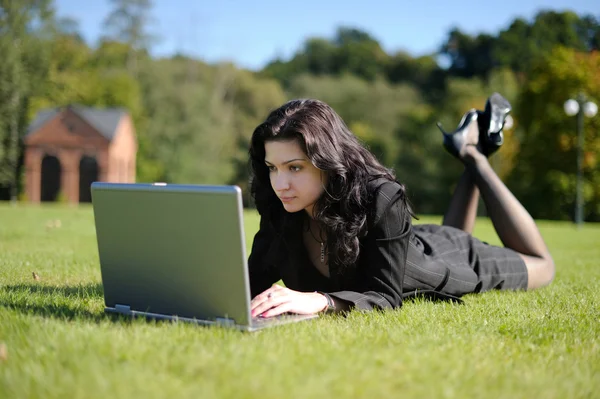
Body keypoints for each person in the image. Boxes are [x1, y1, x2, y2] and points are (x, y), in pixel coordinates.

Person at [247, 96, 555, 318]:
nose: (280, 183)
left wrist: (321, 301)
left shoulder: (380, 197)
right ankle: (469, 146)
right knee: (450, 233)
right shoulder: (280, 211)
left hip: (449, 260)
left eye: (295, 167)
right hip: (414, 244)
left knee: (543, 267)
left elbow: (384, 297)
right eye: (272, 168)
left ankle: (473, 155)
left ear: (327, 162)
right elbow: (249, 282)